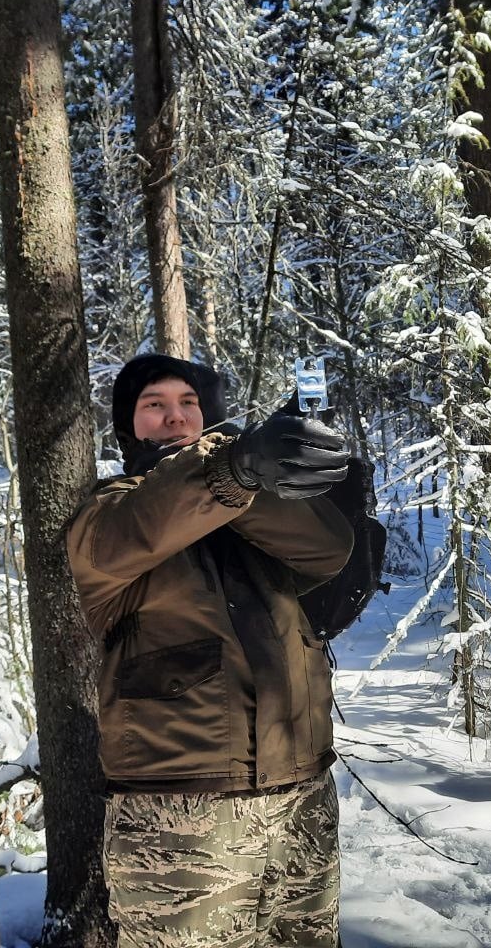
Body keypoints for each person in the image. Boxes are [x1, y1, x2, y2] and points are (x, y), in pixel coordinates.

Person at [66, 354, 355, 947]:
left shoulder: (250, 509)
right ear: (128, 427)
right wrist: (234, 464)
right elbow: (139, 529)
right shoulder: (107, 512)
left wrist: (267, 472)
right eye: (155, 405)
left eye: (188, 404)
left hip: (302, 797)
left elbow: (328, 550)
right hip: (179, 816)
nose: (175, 417)